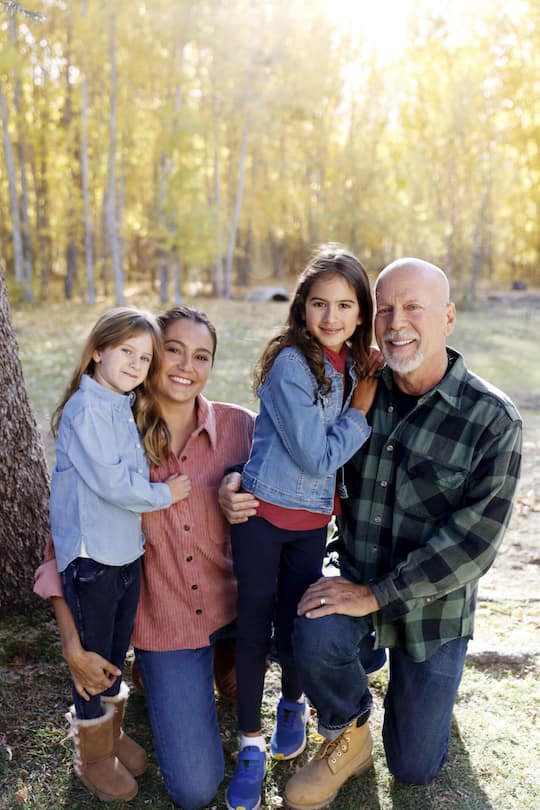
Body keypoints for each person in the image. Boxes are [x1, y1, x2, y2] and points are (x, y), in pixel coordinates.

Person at [220, 258, 523, 810]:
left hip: (432, 610)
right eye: (386, 309)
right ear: (371, 319)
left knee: (413, 766)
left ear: (448, 317)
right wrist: (234, 480)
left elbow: (473, 545)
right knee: (311, 621)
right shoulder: (359, 386)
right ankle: (349, 731)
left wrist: (376, 595)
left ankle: (421, 684)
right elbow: (291, 446)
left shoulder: (492, 419)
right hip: (355, 575)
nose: (396, 322)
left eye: (414, 308)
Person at [34, 306, 255, 809]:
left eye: (202, 356)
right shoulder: (111, 428)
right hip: (168, 624)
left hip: (232, 608)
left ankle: (224, 658)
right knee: (195, 789)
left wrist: (238, 483)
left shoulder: (241, 427)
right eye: (172, 350)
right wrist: (72, 644)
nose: (186, 366)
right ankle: (149, 682)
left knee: (248, 668)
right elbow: (61, 542)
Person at [225, 245, 382, 810]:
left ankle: (292, 704)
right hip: (263, 516)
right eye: (319, 303)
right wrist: (359, 411)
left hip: (313, 522)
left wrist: (366, 385)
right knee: (254, 626)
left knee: (299, 618)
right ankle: (250, 744)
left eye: (344, 305)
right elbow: (317, 458)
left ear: (361, 314)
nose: (331, 317)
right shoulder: (293, 364)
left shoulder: (355, 364)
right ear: (302, 307)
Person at [49, 307, 192, 802]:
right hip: (93, 559)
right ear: (97, 352)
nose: (135, 363)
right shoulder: (87, 409)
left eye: (144, 357)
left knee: (114, 649)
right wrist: (166, 494)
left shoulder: (119, 403)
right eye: (125, 352)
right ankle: (92, 754)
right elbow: (113, 484)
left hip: (124, 552)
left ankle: (110, 734)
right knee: (92, 658)